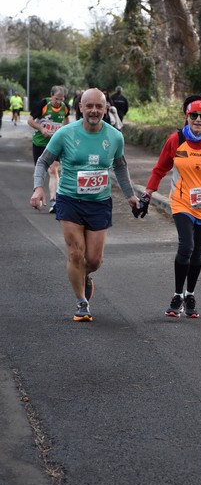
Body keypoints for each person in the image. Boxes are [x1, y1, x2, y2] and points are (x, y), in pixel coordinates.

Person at [30, 88, 140, 323]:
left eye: (98, 107)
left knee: (94, 260)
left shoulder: (114, 136)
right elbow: (43, 161)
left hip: (99, 203)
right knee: (75, 253)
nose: (93, 111)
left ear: (105, 109)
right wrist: (39, 188)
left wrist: (130, 195)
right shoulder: (65, 134)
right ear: (80, 107)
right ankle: (82, 303)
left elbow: (120, 166)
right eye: (88, 106)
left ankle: (84, 275)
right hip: (70, 200)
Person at [139, 94, 201, 318]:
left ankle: (190, 294)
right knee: (186, 246)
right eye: (194, 115)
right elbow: (159, 170)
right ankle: (176, 295)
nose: (198, 119)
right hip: (181, 202)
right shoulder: (176, 140)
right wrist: (147, 196)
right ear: (187, 116)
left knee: (197, 254)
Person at [28, 86, 70, 213]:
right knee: (40, 171)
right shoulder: (43, 104)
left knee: (53, 169)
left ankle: (54, 200)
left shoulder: (65, 107)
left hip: (55, 143)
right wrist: (42, 129)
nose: (58, 102)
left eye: (61, 99)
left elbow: (66, 120)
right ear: (51, 96)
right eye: (56, 99)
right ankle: (38, 190)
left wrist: (65, 132)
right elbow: (30, 120)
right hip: (40, 142)